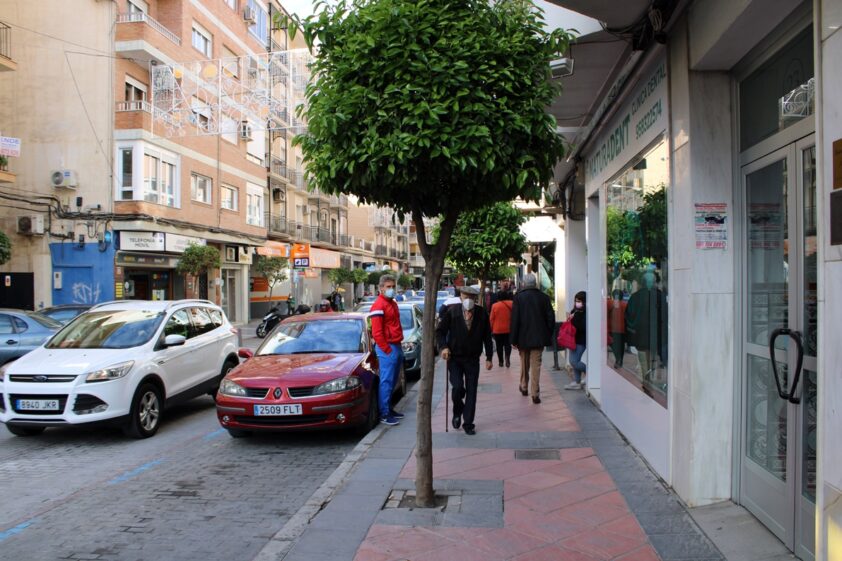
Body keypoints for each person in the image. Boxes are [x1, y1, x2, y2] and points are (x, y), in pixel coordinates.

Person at [437, 286, 493, 435]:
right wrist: (443, 347)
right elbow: (440, 331)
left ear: (475, 299)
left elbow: (487, 336)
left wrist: (489, 357)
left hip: (473, 358)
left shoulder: (482, 314)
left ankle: (468, 422)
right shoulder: (453, 312)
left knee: (472, 390)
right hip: (454, 358)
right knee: (457, 388)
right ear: (461, 297)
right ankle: (457, 411)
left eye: (471, 297)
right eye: (465, 296)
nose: (468, 300)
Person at [510, 273, 554, 404]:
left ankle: (524, 386)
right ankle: (535, 393)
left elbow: (515, 320)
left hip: (523, 338)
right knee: (536, 365)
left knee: (524, 363)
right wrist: (547, 333)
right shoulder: (544, 298)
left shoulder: (518, 298)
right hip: (539, 338)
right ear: (535, 283)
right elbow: (551, 319)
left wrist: (513, 339)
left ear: (523, 283)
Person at [369, 274, 404, 426]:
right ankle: (384, 414)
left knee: (393, 381)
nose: (391, 289)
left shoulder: (392, 303)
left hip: (396, 345)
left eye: (393, 287)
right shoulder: (378, 305)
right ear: (381, 288)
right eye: (388, 287)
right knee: (386, 381)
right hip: (388, 348)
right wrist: (387, 350)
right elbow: (377, 333)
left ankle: (389, 409)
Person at [625, 270, 667, 383]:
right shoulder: (661, 296)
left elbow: (629, 316)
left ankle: (647, 379)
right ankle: (649, 378)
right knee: (652, 358)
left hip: (644, 337)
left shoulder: (635, 297)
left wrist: (633, 329)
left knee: (645, 359)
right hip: (654, 337)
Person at [564, 291, 588, 390]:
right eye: (575, 301)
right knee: (574, 361)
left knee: (574, 361)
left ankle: (590, 371)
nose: (576, 303)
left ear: (584, 302)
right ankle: (577, 382)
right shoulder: (575, 311)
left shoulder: (586, 313)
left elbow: (583, 327)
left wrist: (573, 320)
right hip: (572, 339)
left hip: (580, 340)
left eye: (578, 301)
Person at [490, 291, 513, 368]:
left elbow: (491, 319)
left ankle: (501, 361)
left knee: (499, 346)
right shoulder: (511, 303)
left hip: (497, 329)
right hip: (509, 329)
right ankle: (507, 357)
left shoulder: (495, 306)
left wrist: (490, 328)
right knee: (508, 345)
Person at [607, 289, 627, 369]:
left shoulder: (609, 303)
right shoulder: (625, 304)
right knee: (621, 345)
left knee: (614, 344)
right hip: (623, 329)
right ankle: (620, 360)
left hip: (613, 328)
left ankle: (618, 359)